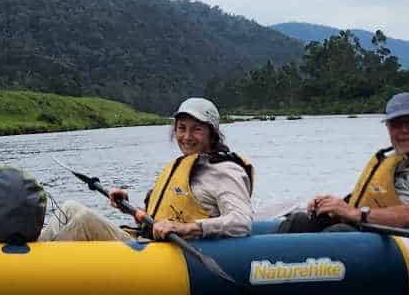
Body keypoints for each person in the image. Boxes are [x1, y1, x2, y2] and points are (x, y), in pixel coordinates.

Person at [43, 97, 254, 242]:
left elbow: (242, 222)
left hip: (172, 257)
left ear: (212, 134)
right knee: (70, 207)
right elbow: (160, 217)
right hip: (148, 241)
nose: (187, 137)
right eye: (181, 128)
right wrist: (127, 207)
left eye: (197, 129)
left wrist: (187, 228)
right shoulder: (184, 166)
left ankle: (33, 274)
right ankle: (21, 253)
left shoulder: (225, 171)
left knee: (84, 222)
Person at [304, 91, 409, 230]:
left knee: (339, 234)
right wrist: (333, 207)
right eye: (396, 124)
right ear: (388, 129)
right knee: (302, 221)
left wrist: (355, 214)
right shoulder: (393, 163)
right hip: (376, 233)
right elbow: (363, 203)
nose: (404, 130)